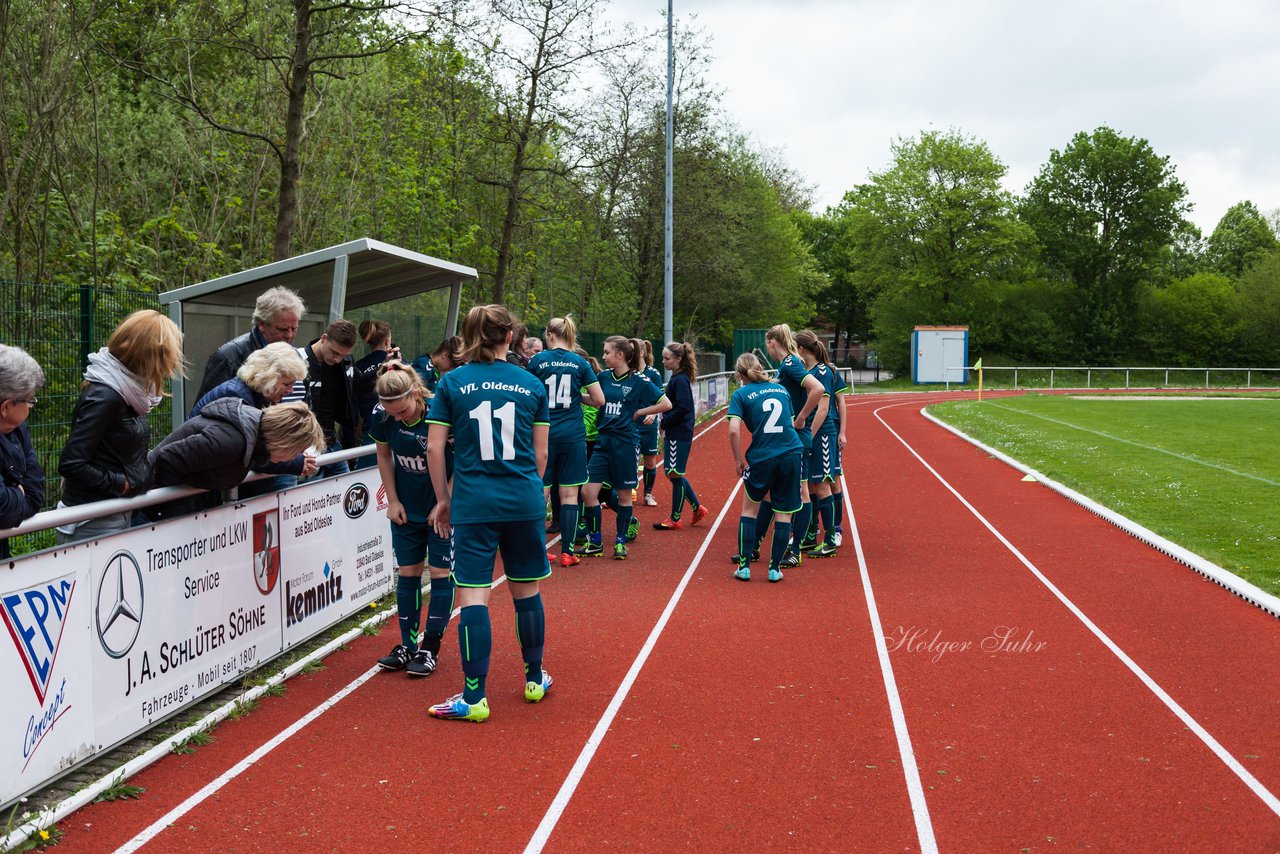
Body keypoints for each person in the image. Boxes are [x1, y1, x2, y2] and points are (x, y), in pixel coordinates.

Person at [424, 304, 552, 723]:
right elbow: (541, 453)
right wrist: (529, 490)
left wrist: (443, 499)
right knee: (526, 590)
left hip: (475, 503)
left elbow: (434, 448)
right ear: (510, 337)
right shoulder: (533, 384)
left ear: (467, 336)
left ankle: (474, 696)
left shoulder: (452, 383)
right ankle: (534, 679)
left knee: (474, 595)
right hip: (524, 499)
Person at [57, 310, 185, 544]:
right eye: (168, 354)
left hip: (118, 513)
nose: (172, 364)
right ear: (151, 354)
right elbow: (71, 464)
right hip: (94, 520)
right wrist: (122, 484)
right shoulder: (106, 395)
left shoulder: (130, 392)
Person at [369, 362, 454, 678]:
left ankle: (430, 647)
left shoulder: (440, 413)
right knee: (408, 574)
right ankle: (406, 645)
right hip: (407, 508)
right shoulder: (383, 418)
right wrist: (392, 500)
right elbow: (383, 455)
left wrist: (447, 500)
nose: (397, 416)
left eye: (402, 410)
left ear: (416, 394)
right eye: (391, 412)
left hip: (440, 510)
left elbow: (461, 461)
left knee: (441, 573)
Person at [732, 324, 822, 566]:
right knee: (772, 496)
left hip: (794, 439)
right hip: (784, 438)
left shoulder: (791, 363)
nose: (767, 350)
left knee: (801, 492)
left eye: (767, 345)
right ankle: (753, 546)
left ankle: (796, 549)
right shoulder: (787, 365)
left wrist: (801, 417)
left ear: (772, 342)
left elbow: (818, 389)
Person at [580, 336, 671, 560]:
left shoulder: (639, 381)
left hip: (626, 443)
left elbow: (666, 403)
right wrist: (576, 397)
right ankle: (596, 542)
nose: (603, 356)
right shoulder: (602, 377)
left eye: (607, 352)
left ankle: (620, 542)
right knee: (588, 492)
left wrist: (641, 412)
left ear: (620, 355)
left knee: (623, 495)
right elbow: (596, 401)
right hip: (603, 442)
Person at [527, 316, 604, 567]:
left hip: (543, 434)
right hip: (572, 434)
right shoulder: (580, 363)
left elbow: (528, 396)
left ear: (549, 335)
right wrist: (577, 398)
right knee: (570, 494)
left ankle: (537, 550)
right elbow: (599, 399)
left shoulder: (537, 361)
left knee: (542, 491)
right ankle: (568, 552)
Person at [188, 342, 318, 488]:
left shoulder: (251, 395)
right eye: (287, 384)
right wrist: (296, 462)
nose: (291, 391)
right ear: (270, 378)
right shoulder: (238, 398)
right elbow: (250, 453)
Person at [727, 353, 804, 583]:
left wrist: (738, 460)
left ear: (740, 375)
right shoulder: (781, 390)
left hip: (762, 456)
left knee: (749, 510)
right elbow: (789, 423)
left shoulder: (740, 394)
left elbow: (733, 430)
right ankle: (774, 570)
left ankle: (744, 567)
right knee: (784, 513)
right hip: (791, 453)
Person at [149, 401, 324, 492]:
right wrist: (171, 508)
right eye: (297, 451)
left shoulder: (252, 440)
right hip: (149, 509)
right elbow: (166, 459)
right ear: (285, 442)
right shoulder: (232, 441)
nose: (296, 456)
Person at [289, 318, 377, 479]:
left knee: (347, 491)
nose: (337, 359)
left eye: (343, 355)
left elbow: (361, 384)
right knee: (305, 500)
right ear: (323, 338)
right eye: (335, 353)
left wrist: (385, 365)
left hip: (331, 442)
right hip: (303, 447)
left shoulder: (345, 362)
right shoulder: (297, 361)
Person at [196, 286, 305, 400]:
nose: (290, 335)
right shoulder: (229, 357)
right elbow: (207, 409)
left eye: (294, 328)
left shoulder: (294, 356)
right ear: (261, 324)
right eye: (282, 329)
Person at [651, 341, 709, 531]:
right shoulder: (679, 378)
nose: (664, 362)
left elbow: (683, 407)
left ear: (678, 359)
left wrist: (664, 421)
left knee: (675, 474)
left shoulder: (680, 380)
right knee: (674, 473)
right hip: (678, 430)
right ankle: (697, 508)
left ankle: (675, 518)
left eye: (667, 358)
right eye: (663, 358)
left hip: (679, 432)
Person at [794, 330, 838, 557]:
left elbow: (823, 408)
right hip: (813, 433)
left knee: (821, 484)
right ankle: (811, 535)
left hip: (821, 435)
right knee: (810, 484)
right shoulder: (810, 371)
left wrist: (810, 435)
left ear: (802, 350)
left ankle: (830, 540)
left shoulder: (822, 371)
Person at [0, 345, 45, 559]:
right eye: (29, 400)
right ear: (6, 407)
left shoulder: (17, 429)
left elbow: (35, 493)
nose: (31, 407)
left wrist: (13, 496)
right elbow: (2, 508)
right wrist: (18, 492)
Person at [352, 320, 401, 470]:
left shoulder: (358, 366)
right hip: (398, 430)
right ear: (388, 341)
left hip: (368, 431)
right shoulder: (398, 363)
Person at [636, 339, 664, 506]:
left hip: (648, 424)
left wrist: (653, 415)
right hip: (631, 423)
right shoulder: (628, 372)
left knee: (650, 461)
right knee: (627, 460)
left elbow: (661, 399)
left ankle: (648, 494)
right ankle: (623, 491)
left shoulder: (653, 374)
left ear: (642, 353)